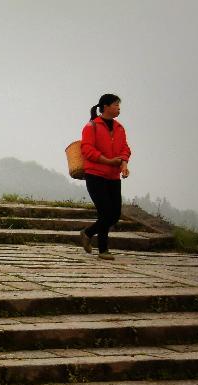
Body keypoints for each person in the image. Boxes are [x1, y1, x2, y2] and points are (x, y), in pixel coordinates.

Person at [79, 93, 131, 260]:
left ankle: (88, 232)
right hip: (95, 176)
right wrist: (108, 161)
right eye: (116, 105)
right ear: (106, 106)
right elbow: (87, 150)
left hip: (113, 177)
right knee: (105, 212)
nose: (118, 108)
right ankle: (103, 250)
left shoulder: (120, 128)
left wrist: (124, 165)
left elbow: (125, 149)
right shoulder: (91, 126)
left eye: (119, 105)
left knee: (114, 214)